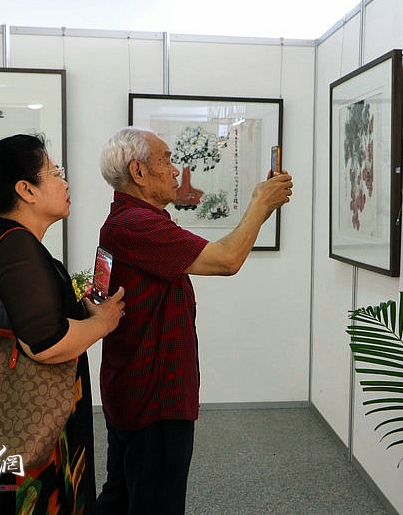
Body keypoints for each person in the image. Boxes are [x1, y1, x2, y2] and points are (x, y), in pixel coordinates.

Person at [95, 127, 293, 514]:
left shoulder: (126, 221)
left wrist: (262, 205)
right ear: (138, 172)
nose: (175, 170)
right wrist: (259, 204)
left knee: (120, 497)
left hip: (131, 387)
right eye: (166, 160)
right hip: (155, 397)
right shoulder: (138, 224)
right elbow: (226, 260)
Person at [0, 134, 126, 515]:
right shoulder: (16, 245)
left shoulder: (4, 239)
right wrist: (103, 322)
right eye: (54, 172)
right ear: (26, 190)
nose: (65, 183)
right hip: (28, 426)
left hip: (7, 415)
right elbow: (46, 343)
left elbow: (29, 322)